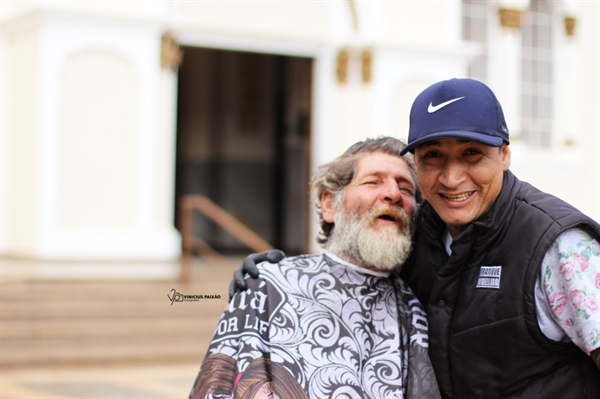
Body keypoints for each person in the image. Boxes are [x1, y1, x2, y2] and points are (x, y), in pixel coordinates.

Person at [232, 78, 600, 398]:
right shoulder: (416, 233)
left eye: (472, 154)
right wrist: (281, 274)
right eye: (434, 157)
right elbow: (355, 264)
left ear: (504, 155)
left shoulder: (560, 246)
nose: (452, 178)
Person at [190, 137, 441, 399]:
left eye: (406, 188)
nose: (393, 194)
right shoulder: (268, 287)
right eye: (373, 182)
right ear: (330, 204)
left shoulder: (414, 307)